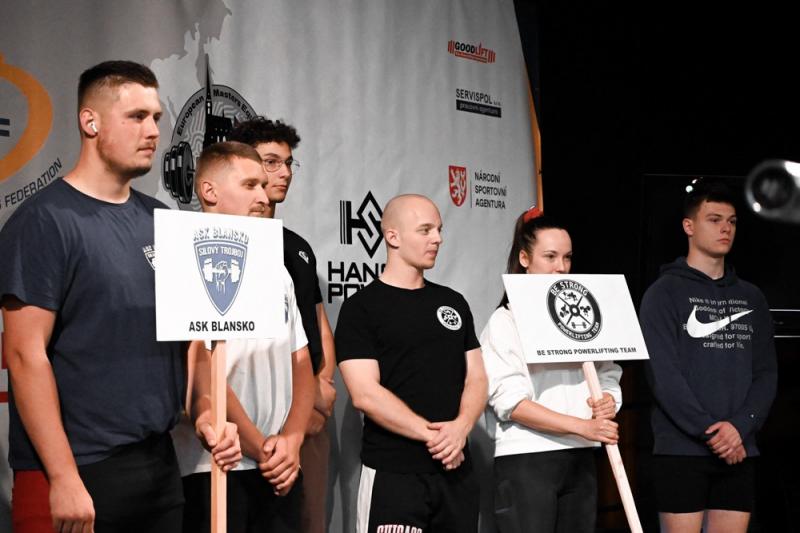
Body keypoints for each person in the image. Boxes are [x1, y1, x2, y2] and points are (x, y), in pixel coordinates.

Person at [0, 60, 240, 533]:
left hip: (157, 469)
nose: (153, 130)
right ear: (90, 122)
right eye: (136, 117)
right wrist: (63, 476)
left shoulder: (163, 221)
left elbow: (191, 343)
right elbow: (25, 355)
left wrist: (208, 415)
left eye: (156, 117)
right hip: (74, 472)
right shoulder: (43, 222)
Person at [173, 141, 315, 533]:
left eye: (263, 185)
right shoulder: (185, 257)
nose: (263, 196)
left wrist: (292, 440)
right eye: (250, 185)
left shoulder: (277, 268)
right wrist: (261, 448)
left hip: (281, 464)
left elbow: (301, 361)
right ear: (209, 191)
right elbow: (199, 366)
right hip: (216, 465)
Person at [335, 193, 488, 533]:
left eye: (439, 229)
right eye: (425, 230)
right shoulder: (361, 308)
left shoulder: (453, 302)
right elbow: (365, 393)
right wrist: (438, 438)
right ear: (393, 236)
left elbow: (477, 377)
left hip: (456, 473)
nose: (438, 238)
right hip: (394, 474)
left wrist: (461, 428)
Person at [640, 179, 778, 533]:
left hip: (738, 447)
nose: (725, 229)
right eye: (714, 220)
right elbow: (663, 377)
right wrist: (711, 433)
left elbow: (766, 374)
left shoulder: (752, 297)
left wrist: (740, 427)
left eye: (731, 222)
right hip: (681, 450)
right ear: (689, 226)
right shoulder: (662, 294)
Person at [480, 207, 622, 533]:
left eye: (567, 257)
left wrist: (608, 400)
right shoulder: (505, 321)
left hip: (581, 455)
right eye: (550, 257)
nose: (561, 267)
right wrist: (582, 427)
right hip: (528, 456)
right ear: (525, 259)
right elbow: (511, 403)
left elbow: (608, 373)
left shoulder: (583, 316)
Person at [228, 118, 336, 533]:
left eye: (289, 163)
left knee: (309, 523)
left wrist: (321, 389)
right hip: (248, 429)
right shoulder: (217, 242)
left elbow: (317, 324)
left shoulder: (298, 247)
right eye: (272, 162)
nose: (284, 173)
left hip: (309, 417)